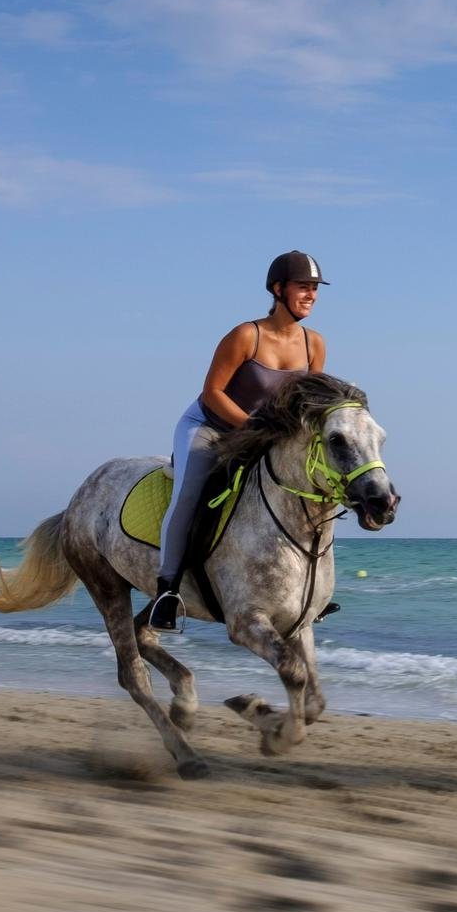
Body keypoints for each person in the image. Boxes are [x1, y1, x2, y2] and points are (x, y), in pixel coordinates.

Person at [145, 251, 329, 631]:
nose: (310, 295)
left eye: (314, 289)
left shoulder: (315, 345)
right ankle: (167, 590)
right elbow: (212, 392)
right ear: (278, 289)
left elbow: (306, 405)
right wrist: (252, 429)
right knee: (189, 495)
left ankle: (311, 592)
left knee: (311, 491)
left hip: (264, 436)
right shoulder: (247, 335)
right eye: (303, 287)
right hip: (209, 427)